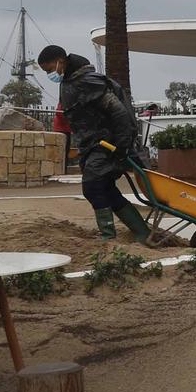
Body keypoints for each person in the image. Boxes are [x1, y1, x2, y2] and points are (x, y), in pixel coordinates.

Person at [36, 44, 162, 246]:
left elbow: (118, 111)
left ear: (61, 60)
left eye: (50, 69)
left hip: (107, 144)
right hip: (92, 145)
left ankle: (107, 237)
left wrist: (120, 144)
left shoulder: (88, 82)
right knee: (106, 189)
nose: (50, 74)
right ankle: (142, 233)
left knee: (93, 187)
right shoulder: (69, 82)